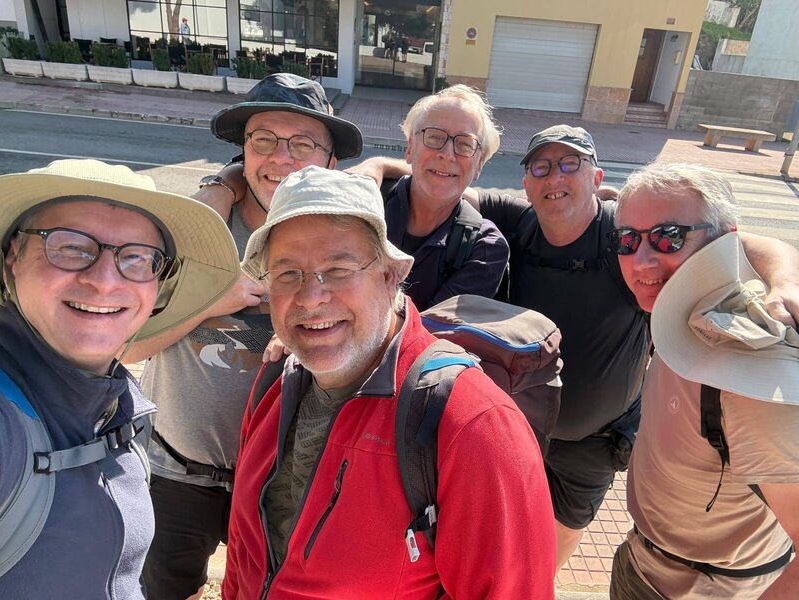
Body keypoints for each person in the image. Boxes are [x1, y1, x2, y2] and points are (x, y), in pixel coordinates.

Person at [360, 123, 799, 569]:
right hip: (517, 427)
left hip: (589, 446)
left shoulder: (625, 238)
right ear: (526, 182)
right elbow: (443, 183)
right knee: (500, 544)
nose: (555, 178)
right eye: (542, 166)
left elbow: (736, 240)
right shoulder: (517, 219)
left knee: (547, 558)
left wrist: (784, 280)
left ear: (597, 178)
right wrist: (377, 164)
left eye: (571, 164)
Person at [224, 165, 556, 599]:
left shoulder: (473, 425)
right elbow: (244, 553)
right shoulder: (276, 378)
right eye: (287, 274)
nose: (310, 296)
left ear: (389, 276)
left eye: (339, 269)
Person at [125, 73, 363, 600]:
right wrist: (211, 299)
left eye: (302, 143)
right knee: (165, 587)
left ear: (329, 161)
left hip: (280, 477)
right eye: (263, 141)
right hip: (175, 473)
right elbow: (129, 346)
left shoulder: (341, 241)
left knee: (267, 587)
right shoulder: (193, 232)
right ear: (243, 151)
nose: (280, 158)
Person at [0, 159, 239, 598]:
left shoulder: (117, 403)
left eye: (137, 257)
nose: (104, 281)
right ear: (13, 255)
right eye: (70, 247)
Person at [609, 163, 799, 599]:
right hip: (642, 560)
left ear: (721, 241)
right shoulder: (681, 310)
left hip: (704, 588)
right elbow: (748, 242)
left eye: (668, 236)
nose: (641, 260)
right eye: (626, 240)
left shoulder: (750, 376)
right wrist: (785, 275)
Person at [383, 84, 508, 310]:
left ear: (479, 165)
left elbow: (433, 334)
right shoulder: (367, 204)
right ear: (410, 148)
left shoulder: (485, 247)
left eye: (465, 144)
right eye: (434, 137)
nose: (447, 154)